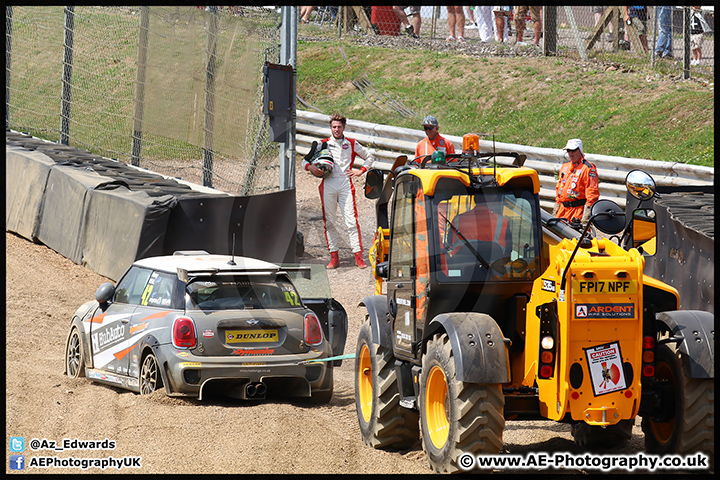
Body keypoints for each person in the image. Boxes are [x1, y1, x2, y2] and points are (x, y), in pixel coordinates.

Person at [302, 114, 375, 269]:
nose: (336, 129)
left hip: (345, 184)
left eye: (339, 127)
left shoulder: (352, 143)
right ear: (331, 128)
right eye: (334, 127)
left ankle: (358, 256)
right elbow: (304, 161)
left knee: (352, 221)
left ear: (344, 127)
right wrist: (311, 168)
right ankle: (334, 257)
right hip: (328, 183)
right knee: (329, 221)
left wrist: (361, 171)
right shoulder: (322, 143)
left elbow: (370, 157)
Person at [554, 139, 600, 224]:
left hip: (578, 211)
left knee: (576, 236)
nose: (571, 153)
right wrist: (557, 206)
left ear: (580, 150)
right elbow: (559, 188)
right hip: (562, 210)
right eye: (568, 150)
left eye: (573, 150)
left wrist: (586, 215)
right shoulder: (565, 166)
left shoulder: (588, 168)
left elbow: (592, 193)